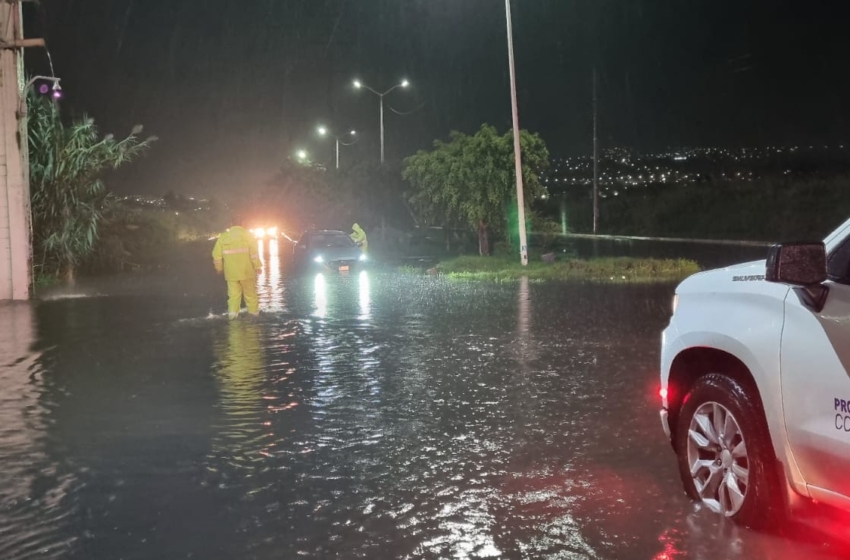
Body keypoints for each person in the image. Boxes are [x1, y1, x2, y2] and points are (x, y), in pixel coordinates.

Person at [212, 219, 262, 319]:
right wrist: (257, 266)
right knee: (250, 296)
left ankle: (232, 319)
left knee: (233, 297)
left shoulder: (223, 237)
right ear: (242, 224)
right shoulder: (249, 236)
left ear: (231, 224)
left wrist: (219, 268)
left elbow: (216, 256)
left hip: (231, 274)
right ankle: (254, 319)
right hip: (247, 272)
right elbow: (254, 254)